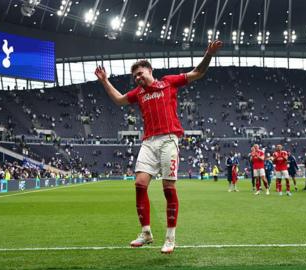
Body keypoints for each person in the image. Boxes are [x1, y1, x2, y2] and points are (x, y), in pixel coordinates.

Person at [95, 40, 223, 253]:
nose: (138, 78)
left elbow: (198, 72)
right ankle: (146, 232)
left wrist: (208, 54)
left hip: (168, 140)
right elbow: (118, 100)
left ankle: (170, 237)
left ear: (150, 71)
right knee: (139, 184)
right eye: (135, 76)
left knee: (168, 188)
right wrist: (105, 80)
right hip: (148, 142)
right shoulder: (138, 93)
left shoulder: (168, 83)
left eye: (141, 73)